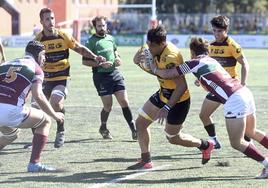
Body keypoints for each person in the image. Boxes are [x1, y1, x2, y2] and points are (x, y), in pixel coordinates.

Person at [151, 37, 268, 179]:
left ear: (192, 52)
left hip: (234, 99)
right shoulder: (212, 60)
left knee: (237, 142)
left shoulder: (194, 62)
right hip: (245, 92)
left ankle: (267, 164)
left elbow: (168, 74)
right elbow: (213, 80)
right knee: (251, 131)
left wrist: (153, 67)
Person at [127, 25, 214, 170]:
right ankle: (146, 160)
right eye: (147, 44)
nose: (148, 48)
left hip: (178, 100)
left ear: (162, 44)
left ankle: (205, 145)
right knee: (141, 123)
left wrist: (167, 107)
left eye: (151, 46)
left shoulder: (171, 57)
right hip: (163, 92)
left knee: (173, 138)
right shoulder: (152, 45)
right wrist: (139, 63)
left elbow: (181, 86)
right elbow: (158, 73)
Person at [28, 8, 105, 148]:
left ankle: (60, 130)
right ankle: (37, 139)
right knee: (35, 107)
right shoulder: (38, 40)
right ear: (41, 22)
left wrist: (94, 57)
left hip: (61, 77)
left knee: (56, 103)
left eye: (52, 18)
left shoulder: (63, 35)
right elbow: (31, 61)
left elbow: (79, 48)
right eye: (47, 19)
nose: (51, 21)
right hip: (44, 79)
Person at [0, 40, 64, 172]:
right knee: (45, 121)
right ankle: (34, 164)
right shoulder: (36, 68)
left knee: (12, 134)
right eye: (44, 55)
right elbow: (38, 96)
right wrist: (55, 115)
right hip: (10, 111)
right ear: (39, 54)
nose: (45, 59)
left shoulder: (5, 64)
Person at [199, 15, 250, 149]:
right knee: (203, 115)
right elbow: (207, 65)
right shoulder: (210, 46)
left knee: (245, 125)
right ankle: (214, 140)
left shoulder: (232, 45)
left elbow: (245, 64)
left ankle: (247, 141)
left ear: (226, 30)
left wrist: (243, 83)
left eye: (219, 31)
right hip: (216, 89)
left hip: (231, 89)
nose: (216, 34)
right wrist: (200, 79)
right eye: (214, 30)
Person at [82, 16, 137, 140]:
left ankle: (134, 129)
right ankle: (103, 127)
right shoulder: (91, 42)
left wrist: (118, 59)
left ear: (106, 26)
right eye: (99, 26)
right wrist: (100, 64)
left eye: (103, 25)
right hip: (100, 77)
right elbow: (85, 61)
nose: (102, 28)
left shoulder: (111, 39)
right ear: (95, 27)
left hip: (115, 74)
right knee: (108, 106)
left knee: (124, 101)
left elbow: (116, 52)